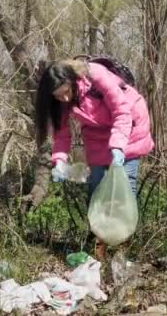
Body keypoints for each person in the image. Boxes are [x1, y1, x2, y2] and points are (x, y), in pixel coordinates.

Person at [34, 57, 154, 261]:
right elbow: (62, 134)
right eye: (58, 96)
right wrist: (59, 160)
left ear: (72, 80)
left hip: (130, 128)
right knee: (97, 190)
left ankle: (124, 252)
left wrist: (117, 146)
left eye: (65, 92)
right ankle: (100, 252)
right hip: (97, 134)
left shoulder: (96, 76)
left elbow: (121, 112)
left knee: (124, 191)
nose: (63, 99)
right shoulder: (61, 101)